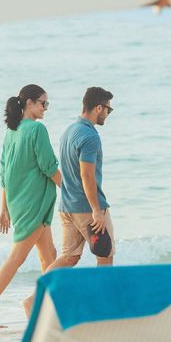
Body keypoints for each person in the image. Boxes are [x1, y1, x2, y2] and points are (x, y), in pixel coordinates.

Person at [0, 84, 61, 329]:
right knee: (16, 258)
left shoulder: (12, 131)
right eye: (44, 103)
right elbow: (49, 166)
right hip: (32, 203)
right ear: (30, 103)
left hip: (22, 201)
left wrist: (4, 208)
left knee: (50, 257)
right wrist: (74, 191)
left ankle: (46, 310)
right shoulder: (36, 129)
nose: (46, 108)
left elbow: (5, 172)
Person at [49, 86, 116, 269]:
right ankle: (102, 298)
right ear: (99, 108)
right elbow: (86, 175)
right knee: (105, 256)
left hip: (67, 206)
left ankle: (36, 296)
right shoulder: (90, 136)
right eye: (108, 109)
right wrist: (96, 210)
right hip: (87, 208)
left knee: (69, 258)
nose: (108, 114)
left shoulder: (68, 131)